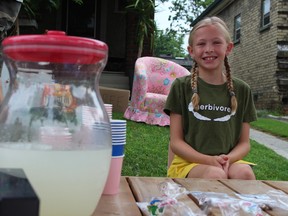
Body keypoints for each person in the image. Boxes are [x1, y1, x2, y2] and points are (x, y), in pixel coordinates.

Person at [164, 16, 257, 179]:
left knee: (245, 174)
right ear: (191, 51)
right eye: (201, 44)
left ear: (228, 48)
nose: (208, 49)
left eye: (216, 42)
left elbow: (244, 143)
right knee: (215, 175)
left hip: (228, 160)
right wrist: (209, 161)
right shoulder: (181, 87)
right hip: (188, 163)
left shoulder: (242, 90)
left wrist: (227, 160)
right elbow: (176, 142)